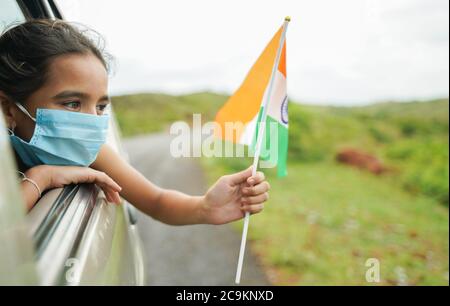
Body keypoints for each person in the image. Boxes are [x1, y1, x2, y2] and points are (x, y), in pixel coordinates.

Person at [0, 20, 270, 225]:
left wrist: (205, 207)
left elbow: (156, 200)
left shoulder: (89, 150)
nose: (92, 121)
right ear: (9, 109)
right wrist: (40, 178)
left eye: (101, 106)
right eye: (72, 103)